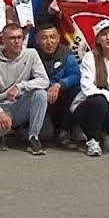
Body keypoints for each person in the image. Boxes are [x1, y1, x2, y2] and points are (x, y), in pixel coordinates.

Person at [0, 23, 51, 155]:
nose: (17, 41)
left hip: (20, 103)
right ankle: (7, 133)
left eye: (19, 37)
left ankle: (33, 137)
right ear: (3, 40)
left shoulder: (31, 54)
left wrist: (20, 87)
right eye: (12, 38)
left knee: (41, 94)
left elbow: (44, 81)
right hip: (1, 106)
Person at [70, 20, 109, 157]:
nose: (108, 38)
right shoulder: (89, 58)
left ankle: (107, 133)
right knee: (99, 101)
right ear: (98, 39)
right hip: (86, 106)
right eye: (104, 34)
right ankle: (93, 140)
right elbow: (87, 88)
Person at [32, 19, 80, 147]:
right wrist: (46, 86)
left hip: (61, 97)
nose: (49, 42)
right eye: (44, 38)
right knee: (46, 134)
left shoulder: (66, 53)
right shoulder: (31, 54)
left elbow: (76, 75)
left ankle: (65, 131)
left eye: (53, 37)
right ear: (37, 39)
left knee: (78, 89)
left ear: (59, 38)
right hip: (41, 99)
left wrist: (60, 84)